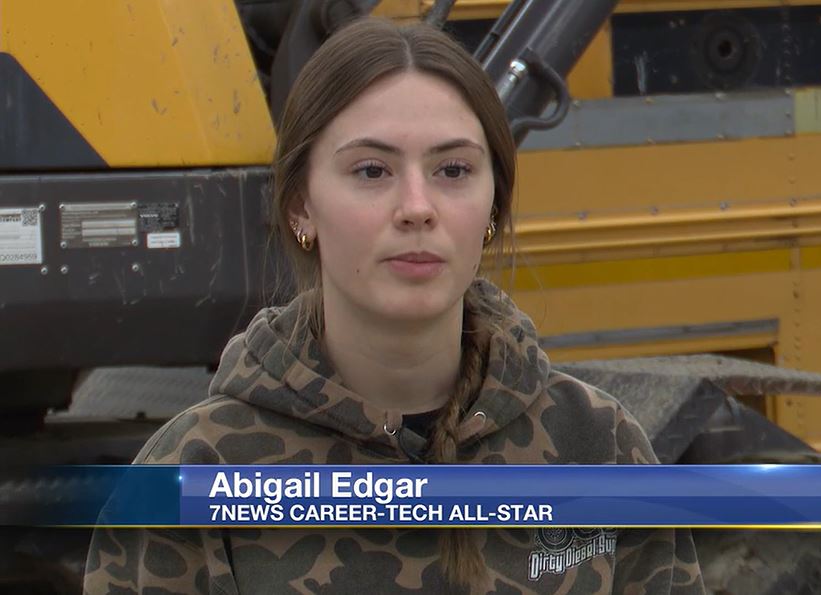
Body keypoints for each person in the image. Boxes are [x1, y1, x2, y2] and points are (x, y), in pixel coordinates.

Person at [84, 17, 705, 594]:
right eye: (372, 171)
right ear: (301, 207)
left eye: (453, 169)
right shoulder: (191, 475)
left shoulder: (597, 445)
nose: (417, 207)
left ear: (493, 205)